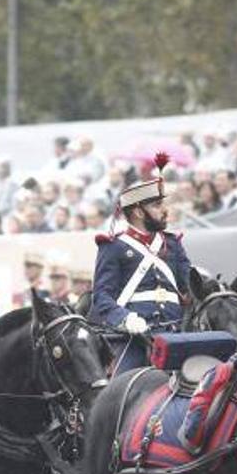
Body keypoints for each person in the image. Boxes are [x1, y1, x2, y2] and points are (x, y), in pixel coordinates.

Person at [88, 152, 192, 373]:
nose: (165, 210)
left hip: (176, 335)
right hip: (133, 338)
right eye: (156, 205)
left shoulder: (172, 244)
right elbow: (102, 297)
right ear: (137, 211)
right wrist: (125, 319)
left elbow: (190, 288)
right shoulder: (113, 247)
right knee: (116, 392)